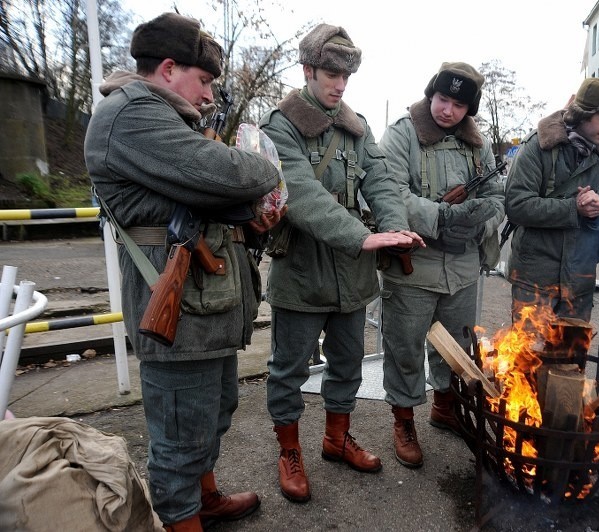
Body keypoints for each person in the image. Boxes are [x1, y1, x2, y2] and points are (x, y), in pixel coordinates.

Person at [84, 13, 283, 530]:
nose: (211, 94)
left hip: (205, 308)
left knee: (212, 414)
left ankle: (205, 497)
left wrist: (246, 208)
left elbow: (214, 196)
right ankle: (182, 515)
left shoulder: (167, 117)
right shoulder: (131, 114)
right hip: (180, 314)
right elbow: (230, 174)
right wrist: (263, 168)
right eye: (205, 80)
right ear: (169, 68)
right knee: (178, 436)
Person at [258, 23, 424, 503]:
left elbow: (381, 181)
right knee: (288, 368)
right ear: (308, 69)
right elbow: (302, 195)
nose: (339, 85)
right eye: (331, 74)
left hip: (351, 273)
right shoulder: (279, 125)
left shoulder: (356, 126)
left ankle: (336, 438)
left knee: (348, 361)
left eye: (346, 76)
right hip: (302, 270)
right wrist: (364, 236)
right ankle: (289, 452)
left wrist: (393, 229)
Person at [377, 62, 505, 468]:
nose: (447, 110)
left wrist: (481, 216)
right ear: (431, 94)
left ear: (470, 109)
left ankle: (445, 408)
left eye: (458, 104)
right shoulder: (402, 134)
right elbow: (388, 191)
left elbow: (499, 196)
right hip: (415, 265)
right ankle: (404, 421)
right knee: (405, 348)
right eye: (442, 99)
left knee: (457, 348)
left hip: (463, 267)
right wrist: (440, 216)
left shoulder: (478, 144)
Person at [505, 78, 599, 322]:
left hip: (580, 280)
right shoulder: (538, 146)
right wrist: (574, 208)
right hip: (535, 281)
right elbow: (517, 205)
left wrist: (598, 212)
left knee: (569, 359)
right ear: (583, 115)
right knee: (528, 356)